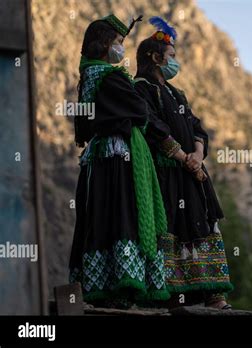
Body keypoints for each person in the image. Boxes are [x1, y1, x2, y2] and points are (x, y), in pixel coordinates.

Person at [69, 14, 170, 308]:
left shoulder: (87, 78)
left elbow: (85, 127)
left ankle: (100, 284)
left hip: (96, 156)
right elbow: (139, 110)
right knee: (123, 213)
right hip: (118, 155)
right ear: (103, 45)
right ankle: (123, 285)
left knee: (99, 217)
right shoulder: (110, 77)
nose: (120, 49)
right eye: (116, 42)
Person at [134, 16, 233, 309]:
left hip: (191, 173)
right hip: (166, 175)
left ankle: (214, 295)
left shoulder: (178, 94)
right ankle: (173, 296)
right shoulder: (141, 88)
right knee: (172, 230)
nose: (175, 62)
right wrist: (180, 156)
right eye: (171, 57)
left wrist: (198, 155)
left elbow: (198, 127)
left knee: (202, 226)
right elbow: (152, 126)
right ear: (155, 57)